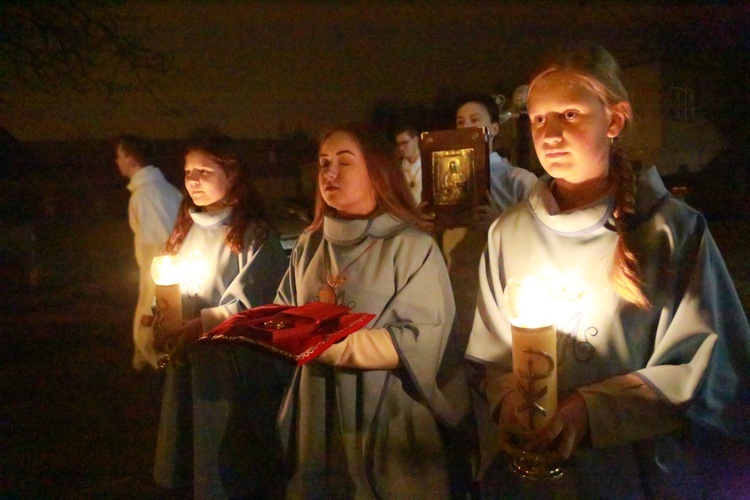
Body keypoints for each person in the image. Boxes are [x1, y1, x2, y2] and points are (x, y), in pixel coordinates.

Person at [465, 42, 750, 498]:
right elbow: (490, 355)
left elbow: (706, 363)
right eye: (539, 119)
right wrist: (512, 403)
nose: (551, 134)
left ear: (614, 120)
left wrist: (588, 411)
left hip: (636, 472)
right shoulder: (508, 233)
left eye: (571, 115)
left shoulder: (670, 229)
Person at [275, 124, 475, 498]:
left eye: (344, 162)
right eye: (323, 163)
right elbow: (284, 310)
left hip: (389, 412)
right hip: (319, 404)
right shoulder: (309, 243)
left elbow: (422, 338)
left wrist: (330, 345)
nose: (329, 173)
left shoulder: (411, 246)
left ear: (377, 171)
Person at [152, 131, 289, 498]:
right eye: (188, 171)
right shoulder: (183, 231)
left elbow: (259, 301)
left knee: (227, 461)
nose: (193, 180)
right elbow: (170, 287)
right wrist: (164, 317)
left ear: (232, 175)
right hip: (189, 360)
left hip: (231, 368)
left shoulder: (253, 234)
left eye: (204, 171)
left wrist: (204, 324)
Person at [115, 134, 182, 370]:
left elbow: (159, 252)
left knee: (155, 349)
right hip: (166, 285)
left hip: (161, 286)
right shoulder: (162, 190)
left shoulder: (147, 195)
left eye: (120, 155)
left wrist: (152, 306)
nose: (117, 161)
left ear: (131, 158)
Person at [394, 125, 423, 204]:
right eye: (399, 144)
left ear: (416, 140)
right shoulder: (396, 169)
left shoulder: (428, 165)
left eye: (405, 142)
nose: (401, 148)